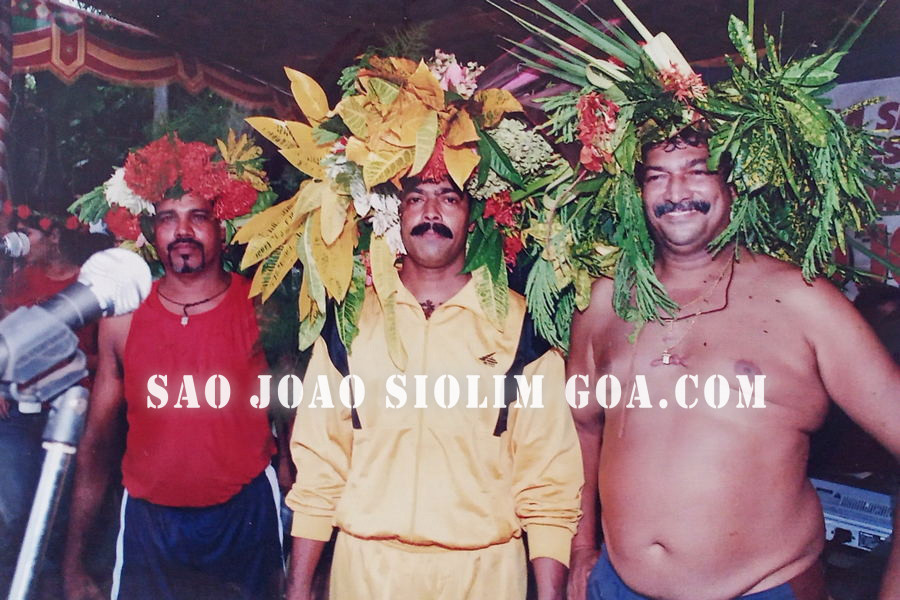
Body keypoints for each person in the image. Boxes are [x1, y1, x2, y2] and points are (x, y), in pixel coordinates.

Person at [497, 2, 900, 598]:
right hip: (617, 585)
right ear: (638, 193)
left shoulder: (803, 302)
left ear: (732, 186)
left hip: (760, 588)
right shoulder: (604, 303)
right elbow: (583, 432)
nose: (677, 191)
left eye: (697, 170)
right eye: (657, 176)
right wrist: (582, 549)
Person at [239, 52, 584, 599]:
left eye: (449, 197)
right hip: (365, 572)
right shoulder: (349, 323)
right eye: (415, 197)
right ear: (391, 214)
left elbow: (549, 482)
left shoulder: (521, 330)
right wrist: (300, 588)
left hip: (485, 575)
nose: (431, 212)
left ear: (474, 216)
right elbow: (321, 467)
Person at [62, 135, 285, 600]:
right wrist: (74, 562)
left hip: (244, 517)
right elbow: (96, 445)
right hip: (150, 525)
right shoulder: (122, 320)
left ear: (222, 228)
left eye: (197, 216)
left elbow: (296, 432)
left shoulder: (262, 307)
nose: (183, 231)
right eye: (168, 218)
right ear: (151, 232)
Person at [0, 209, 102, 594]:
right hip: (17, 415)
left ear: (55, 236)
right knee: (14, 509)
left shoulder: (89, 285)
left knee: (58, 512)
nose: (20, 242)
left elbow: (105, 358)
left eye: (27, 233)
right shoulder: (17, 282)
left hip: (69, 413)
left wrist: (60, 360)